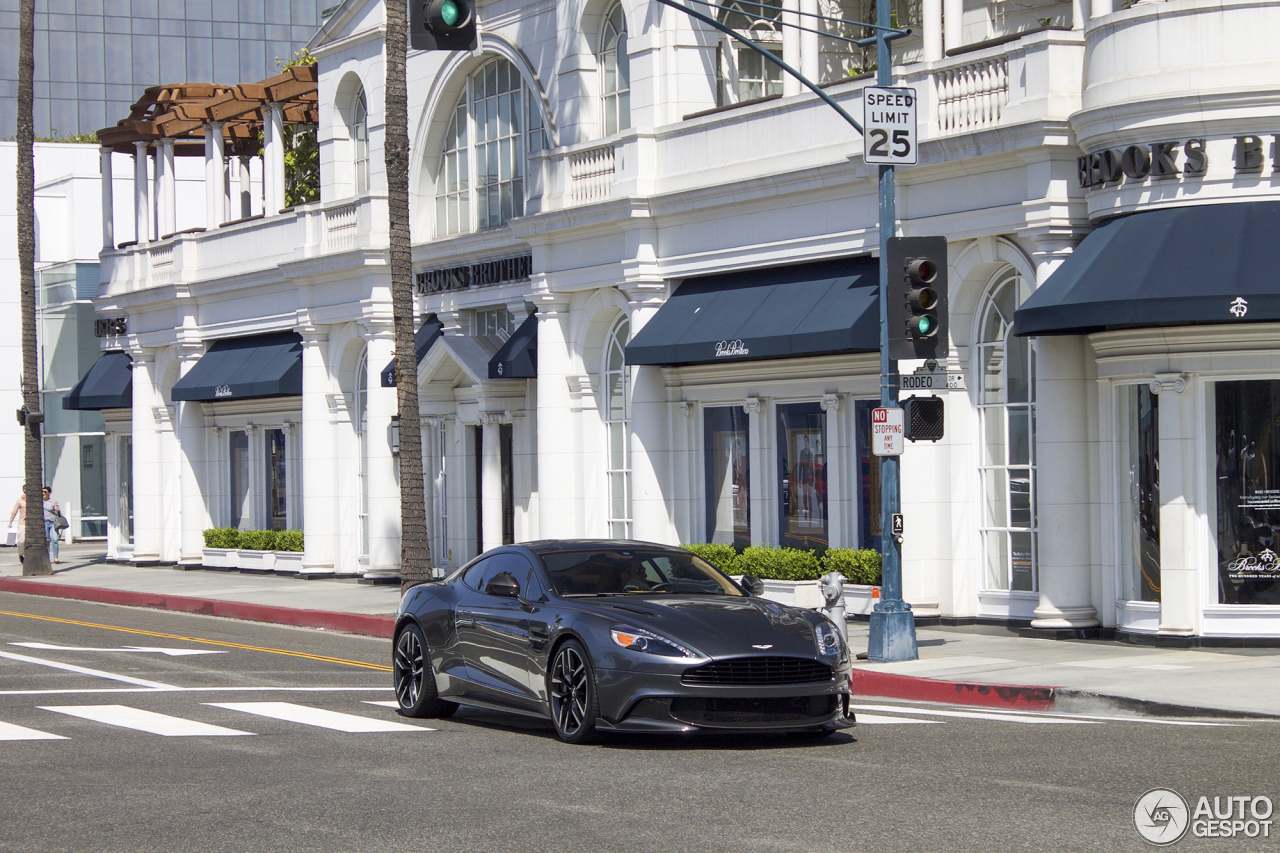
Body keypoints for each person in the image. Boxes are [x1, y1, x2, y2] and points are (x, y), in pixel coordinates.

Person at [42, 486, 61, 564]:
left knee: (54, 539)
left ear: (49, 493)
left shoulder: (53, 501)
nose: (43, 493)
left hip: (53, 522)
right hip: (45, 522)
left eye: (45, 492)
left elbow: (58, 512)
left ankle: (55, 557)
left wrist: (57, 510)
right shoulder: (41, 501)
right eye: (42, 492)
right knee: (46, 540)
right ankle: (47, 557)